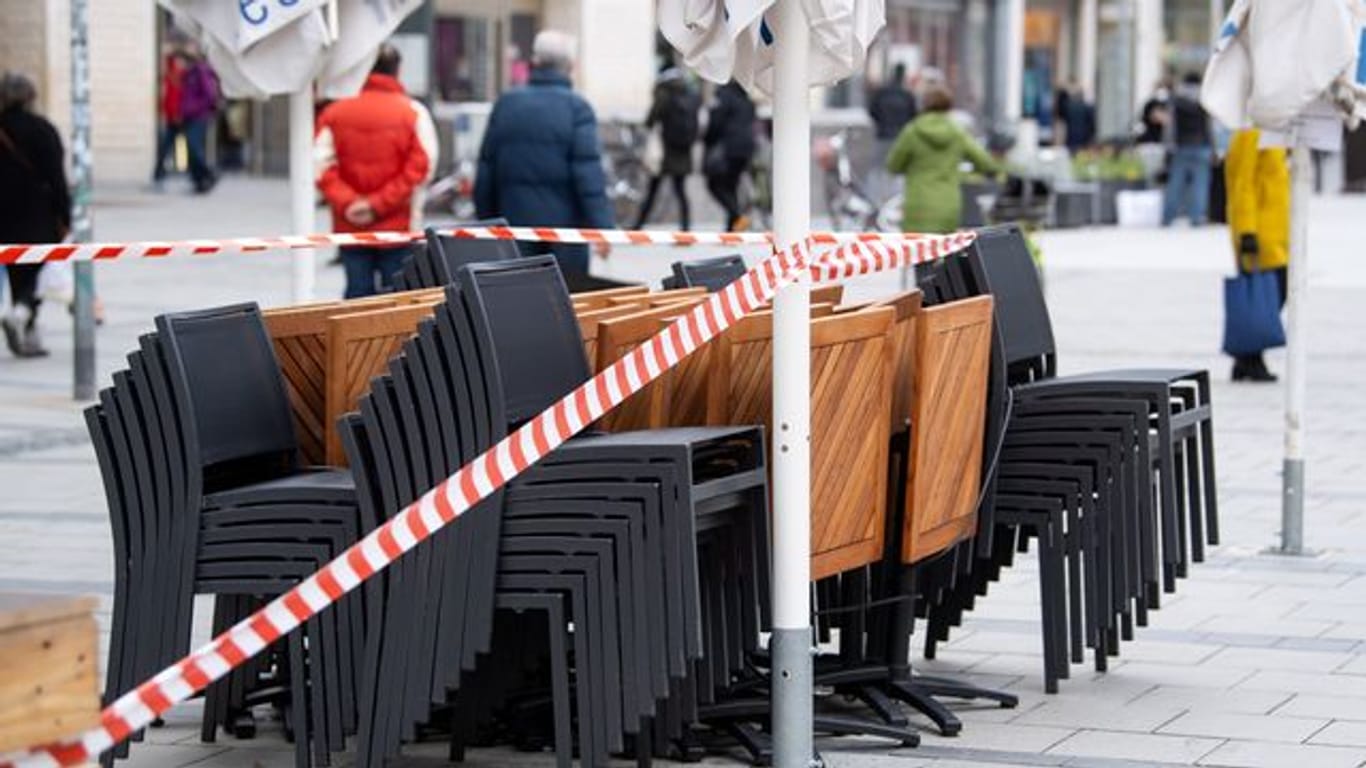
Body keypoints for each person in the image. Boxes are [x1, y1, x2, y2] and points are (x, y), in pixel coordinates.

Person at [475, 30, 613, 275]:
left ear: (534, 62)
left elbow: (487, 168)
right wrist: (601, 228)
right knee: (566, 301)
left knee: (517, 299)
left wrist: (486, 221)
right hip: (567, 234)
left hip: (514, 226)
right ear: (570, 66)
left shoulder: (506, 104)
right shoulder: (577, 108)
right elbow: (588, 174)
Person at [315, 44, 438, 299]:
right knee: (396, 297)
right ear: (398, 71)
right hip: (399, 225)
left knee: (356, 295)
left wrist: (350, 203)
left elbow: (320, 167)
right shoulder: (413, 113)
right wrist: (377, 204)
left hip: (349, 224)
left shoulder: (334, 112)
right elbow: (422, 168)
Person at [0, 72, 70, 358]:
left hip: (3, 214)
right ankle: (21, 313)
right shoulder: (43, 130)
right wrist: (64, 213)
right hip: (37, 212)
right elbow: (56, 176)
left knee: (16, 267)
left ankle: (26, 329)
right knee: (39, 266)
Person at [886, 87, 1000, 234]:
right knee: (945, 253)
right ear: (948, 106)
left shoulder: (912, 131)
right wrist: (963, 171)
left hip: (918, 205)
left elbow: (893, 166)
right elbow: (986, 164)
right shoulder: (957, 132)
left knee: (917, 253)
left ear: (924, 106)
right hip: (948, 206)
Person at [1224, 128, 1289, 382]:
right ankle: (1249, 357)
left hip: (1275, 231)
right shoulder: (1250, 133)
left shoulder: (1273, 132)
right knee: (1268, 294)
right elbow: (1243, 184)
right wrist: (1247, 231)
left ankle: (1247, 358)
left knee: (1269, 295)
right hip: (1259, 233)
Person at [633, 69, 700, 231]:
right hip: (684, 150)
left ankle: (637, 226)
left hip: (664, 151)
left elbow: (650, 119)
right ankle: (686, 229)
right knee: (681, 191)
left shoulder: (664, 93)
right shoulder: (690, 94)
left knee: (652, 190)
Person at [702, 81, 757, 232]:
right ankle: (731, 229)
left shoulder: (723, 96)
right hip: (746, 149)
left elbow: (715, 123)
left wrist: (707, 140)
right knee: (731, 187)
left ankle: (738, 215)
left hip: (728, 148)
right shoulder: (746, 99)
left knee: (714, 185)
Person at [1163, 72, 1213, 226]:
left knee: (1175, 184)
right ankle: (1197, 217)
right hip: (1202, 145)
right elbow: (1211, 127)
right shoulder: (1206, 100)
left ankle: (1168, 217)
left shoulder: (1177, 101)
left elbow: (1171, 127)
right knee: (1200, 184)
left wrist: (1169, 146)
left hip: (1182, 145)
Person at [867, 64, 917, 201]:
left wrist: (881, 124)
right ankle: (896, 200)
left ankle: (876, 200)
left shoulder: (881, 93)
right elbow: (914, 116)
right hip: (901, 138)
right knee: (899, 171)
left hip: (882, 136)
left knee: (878, 170)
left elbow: (872, 111)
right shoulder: (907, 95)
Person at [178, 46, 220, 194]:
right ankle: (199, 180)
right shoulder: (189, 73)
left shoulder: (201, 71)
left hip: (199, 116)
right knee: (190, 148)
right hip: (189, 116)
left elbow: (210, 95)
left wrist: (197, 108)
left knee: (193, 146)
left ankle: (208, 173)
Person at [151, 44, 186, 188]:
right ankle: (160, 174)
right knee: (166, 147)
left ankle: (183, 168)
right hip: (172, 117)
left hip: (180, 116)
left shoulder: (180, 74)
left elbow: (178, 97)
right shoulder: (170, 73)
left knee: (182, 145)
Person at [1056, 82, 1096, 152]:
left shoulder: (1069, 107)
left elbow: (1060, 113)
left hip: (1071, 139)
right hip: (1083, 139)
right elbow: (1092, 125)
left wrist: (1062, 91)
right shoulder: (1088, 108)